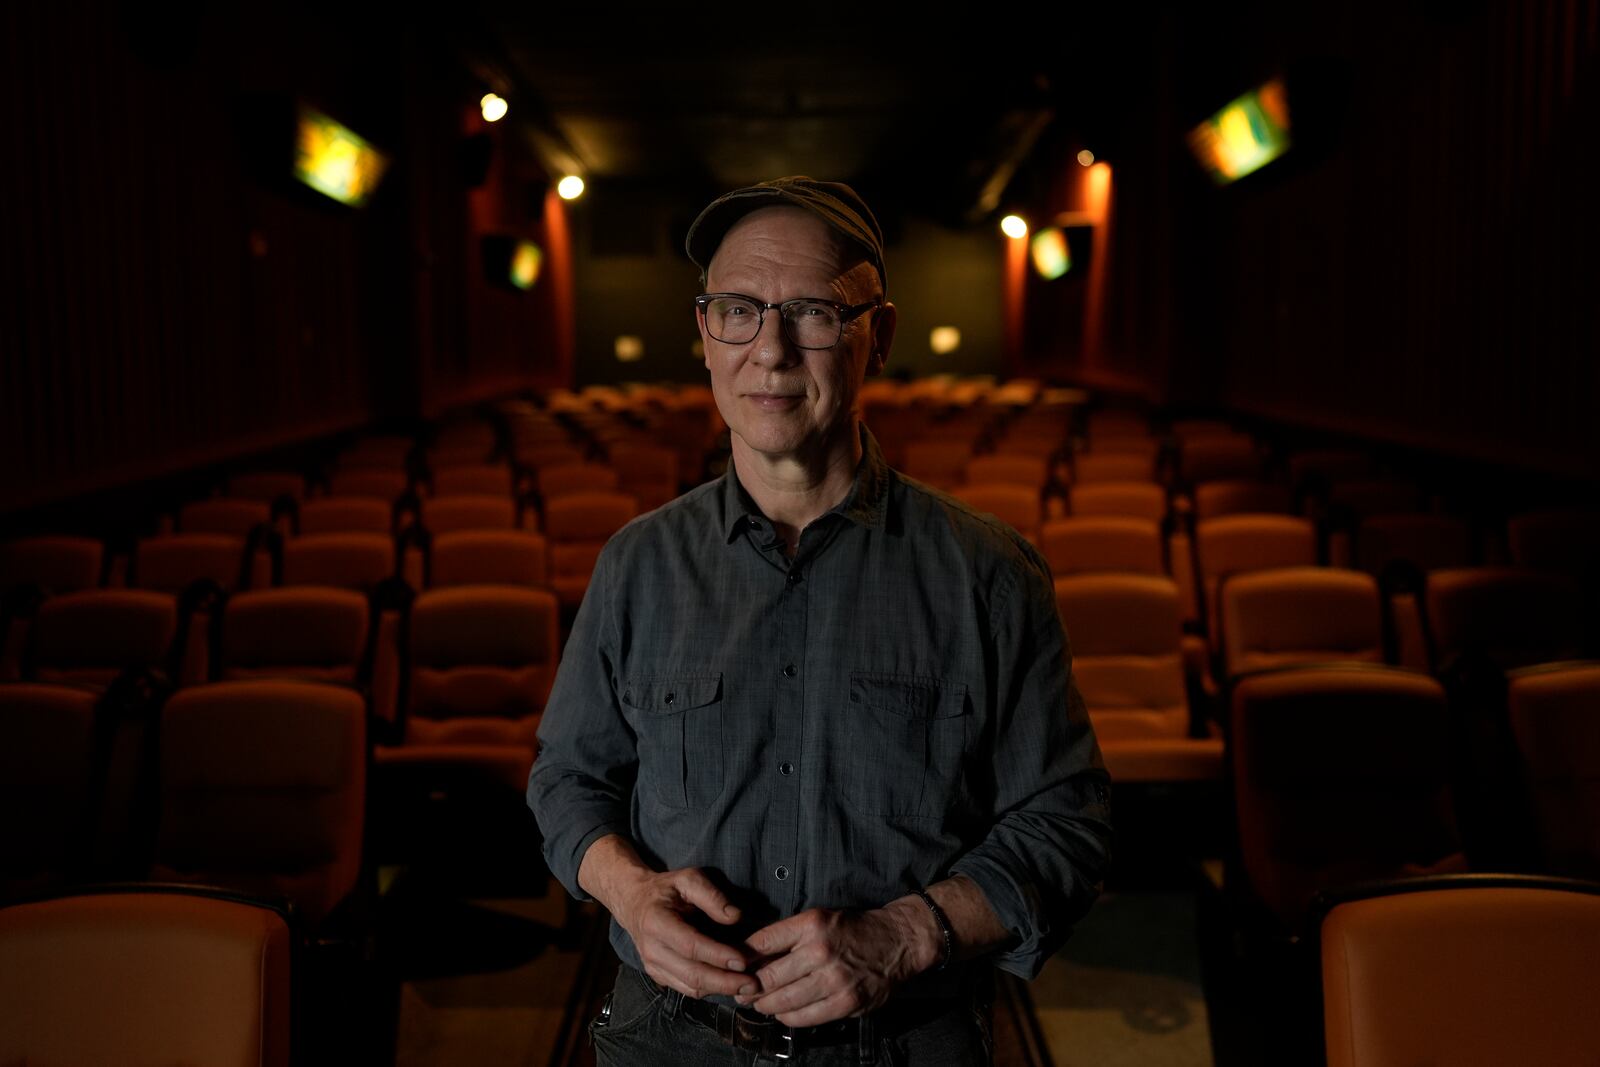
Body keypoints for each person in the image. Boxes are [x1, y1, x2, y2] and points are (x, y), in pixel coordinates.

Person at [527, 176, 1111, 1065]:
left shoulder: (990, 573)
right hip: (668, 1041)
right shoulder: (636, 564)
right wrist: (631, 893)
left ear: (879, 336)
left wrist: (907, 934)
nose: (771, 351)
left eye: (812, 312)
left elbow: (1068, 824)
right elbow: (567, 781)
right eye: (737, 310)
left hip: (904, 1042)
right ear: (704, 335)